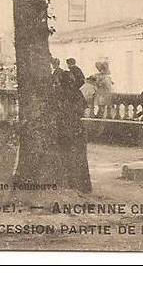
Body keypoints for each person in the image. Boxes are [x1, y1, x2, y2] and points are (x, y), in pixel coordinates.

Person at [50, 58, 91, 192]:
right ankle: (81, 186)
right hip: (77, 129)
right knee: (78, 159)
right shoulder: (76, 93)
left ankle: (70, 184)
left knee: (67, 156)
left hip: (67, 129)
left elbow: (59, 111)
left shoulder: (61, 94)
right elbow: (83, 108)